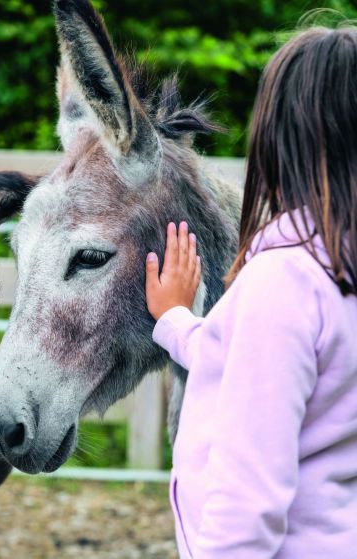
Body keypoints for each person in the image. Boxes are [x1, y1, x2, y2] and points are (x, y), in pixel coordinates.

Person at [144, 25, 357, 558]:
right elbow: (251, 362)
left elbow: (249, 503)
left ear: (279, 139)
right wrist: (174, 319)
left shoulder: (285, 283)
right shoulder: (332, 273)